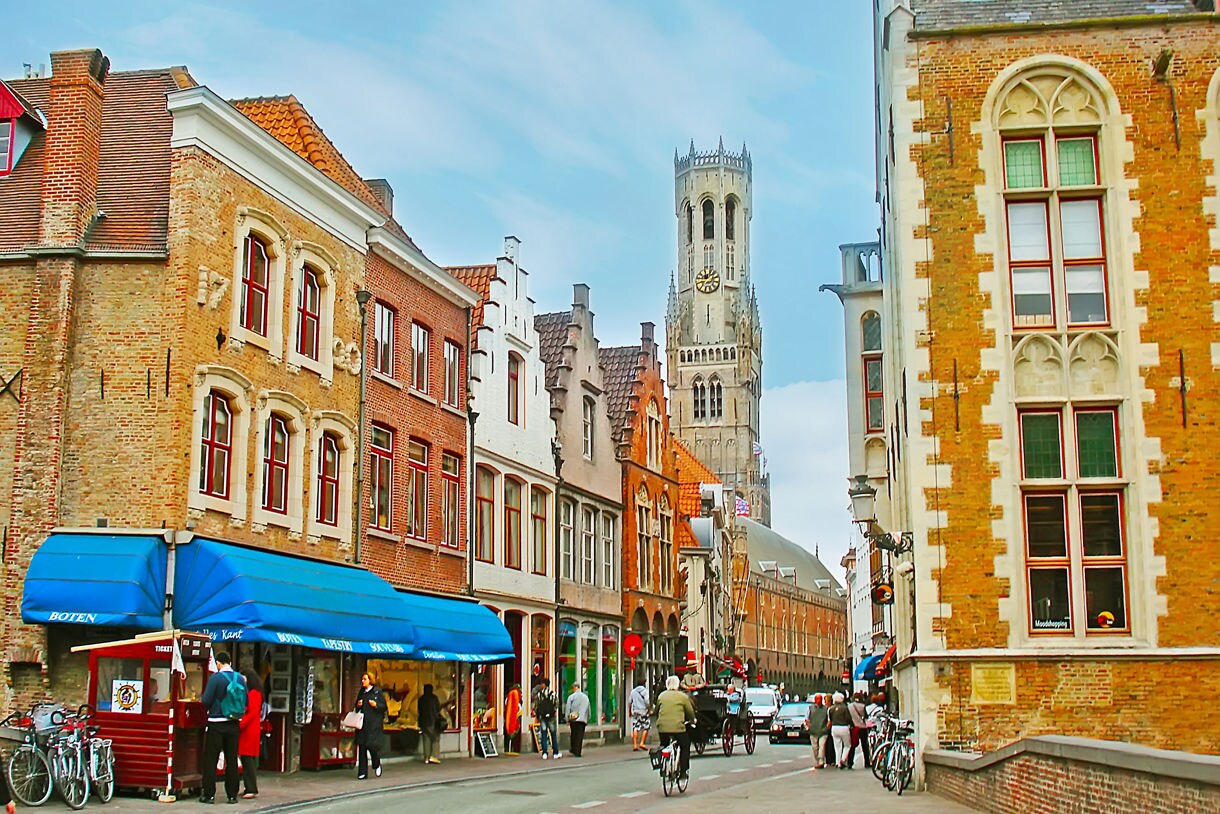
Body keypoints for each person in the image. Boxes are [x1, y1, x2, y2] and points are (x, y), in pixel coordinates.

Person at [200, 651, 245, 804]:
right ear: (230, 662)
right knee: (231, 759)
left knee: (211, 760)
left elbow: (206, 700)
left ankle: (209, 794)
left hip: (216, 723)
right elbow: (246, 703)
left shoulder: (215, 678)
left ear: (218, 663)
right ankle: (232, 795)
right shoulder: (240, 678)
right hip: (233, 723)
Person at [656, 675, 696, 780]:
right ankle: (683, 772)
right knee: (685, 745)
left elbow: (657, 710)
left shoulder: (661, 696)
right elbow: (690, 711)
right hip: (678, 728)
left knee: (664, 745)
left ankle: (663, 766)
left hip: (662, 728)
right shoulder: (682, 697)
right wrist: (692, 720)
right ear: (678, 685)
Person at [354, 673, 386, 780]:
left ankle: (376, 763)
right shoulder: (362, 692)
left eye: (365, 679)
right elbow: (356, 706)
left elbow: (384, 707)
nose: (362, 681)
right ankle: (362, 772)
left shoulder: (377, 692)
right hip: (362, 724)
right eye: (362, 679)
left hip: (374, 724)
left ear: (370, 680)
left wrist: (376, 705)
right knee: (362, 747)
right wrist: (358, 705)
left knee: (371, 746)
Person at [238, 670, 264, 799]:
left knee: (248, 761)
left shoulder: (254, 694)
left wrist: (240, 724)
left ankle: (252, 788)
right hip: (248, 730)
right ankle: (248, 787)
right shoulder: (252, 693)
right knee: (246, 759)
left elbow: (251, 713)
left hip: (249, 731)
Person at [533, 678, 560, 759]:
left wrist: (538, 715)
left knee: (544, 734)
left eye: (542, 683)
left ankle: (545, 752)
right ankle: (555, 752)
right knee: (553, 734)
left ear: (544, 684)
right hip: (551, 716)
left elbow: (536, 705)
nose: (541, 685)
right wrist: (553, 711)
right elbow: (557, 703)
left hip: (542, 716)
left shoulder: (539, 694)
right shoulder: (553, 694)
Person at [417, 683, 444, 765]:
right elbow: (438, 709)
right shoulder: (434, 698)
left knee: (426, 739)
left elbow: (419, 710)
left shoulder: (421, 699)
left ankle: (426, 757)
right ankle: (433, 756)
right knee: (435, 738)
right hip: (433, 721)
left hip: (423, 722)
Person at [827, 692, 853, 769]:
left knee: (837, 746)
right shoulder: (845, 707)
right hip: (844, 727)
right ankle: (843, 759)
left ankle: (838, 762)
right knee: (847, 745)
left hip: (834, 728)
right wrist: (851, 725)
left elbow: (830, 719)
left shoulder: (830, 709)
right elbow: (848, 718)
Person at [564, 683, 590, 757]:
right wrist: (588, 718)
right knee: (580, 735)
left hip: (574, 719)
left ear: (574, 688)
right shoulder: (585, 697)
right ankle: (578, 751)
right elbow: (588, 709)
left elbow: (568, 708)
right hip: (582, 719)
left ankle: (574, 749)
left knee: (573, 734)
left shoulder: (571, 697)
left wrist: (567, 718)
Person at [848, 692, 872, 768]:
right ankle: (867, 762)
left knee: (853, 745)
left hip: (854, 727)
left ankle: (850, 762)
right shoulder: (863, 706)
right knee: (864, 745)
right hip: (862, 727)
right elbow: (865, 717)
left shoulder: (849, 706)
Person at [806, 693, 830, 770]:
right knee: (815, 747)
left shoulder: (826, 709)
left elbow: (829, 720)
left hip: (823, 731)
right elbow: (807, 719)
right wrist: (809, 726)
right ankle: (818, 760)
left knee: (822, 747)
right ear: (814, 700)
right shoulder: (810, 708)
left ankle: (821, 761)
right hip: (813, 731)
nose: (818, 700)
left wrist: (826, 728)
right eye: (817, 699)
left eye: (819, 699)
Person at [628, 679, 650, 751]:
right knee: (646, 727)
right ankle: (642, 743)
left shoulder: (633, 691)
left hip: (636, 712)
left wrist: (630, 712)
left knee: (635, 728)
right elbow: (647, 701)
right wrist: (648, 709)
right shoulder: (645, 691)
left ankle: (635, 745)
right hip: (643, 712)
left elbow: (629, 702)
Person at [504, 684, 522, 754]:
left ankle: (510, 747)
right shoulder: (515, 696)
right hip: (514, 717)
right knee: (513, 729)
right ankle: (510, 747)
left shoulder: (510, 696)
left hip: (513, 717)